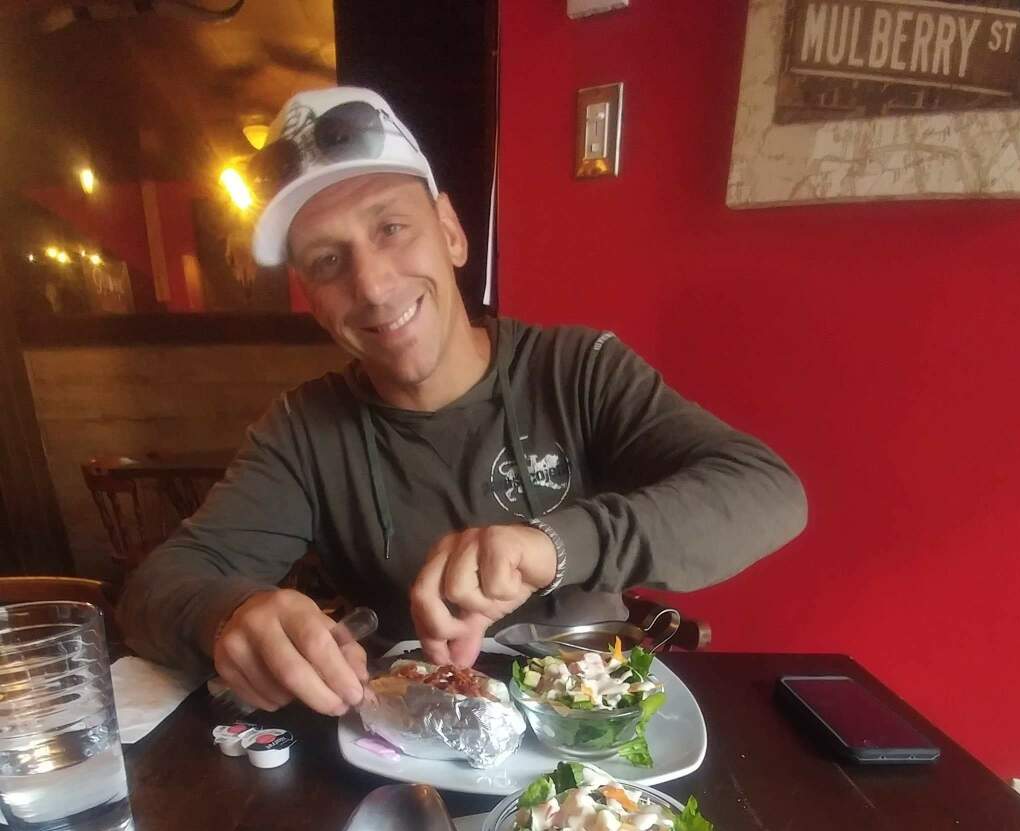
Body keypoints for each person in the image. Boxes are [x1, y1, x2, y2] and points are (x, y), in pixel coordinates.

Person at [119, 86, 807, 717]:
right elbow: (156, 587)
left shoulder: (576, 369)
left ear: (450, 230)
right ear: (312, 299)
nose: (373, 286)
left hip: (588, 730)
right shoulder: (302, 431)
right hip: (410, 741)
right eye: (328, 261)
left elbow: (768, 492)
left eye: (391, 227)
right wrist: (229, 613)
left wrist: (551, 545)